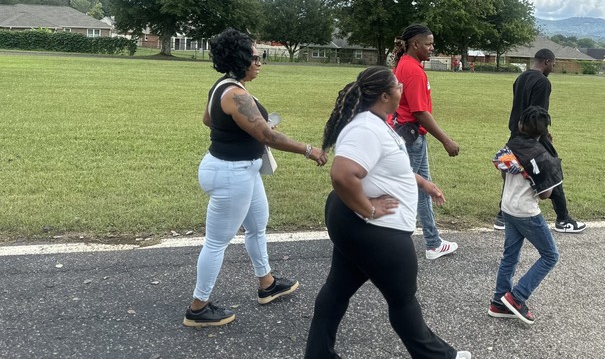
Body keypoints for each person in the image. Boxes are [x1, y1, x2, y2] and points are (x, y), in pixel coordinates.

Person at [304, 66, 471, 359]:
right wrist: (369, 210)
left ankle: (318, 354)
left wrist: (420, 182)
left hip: (354, 224)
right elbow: (343, 175)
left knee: (338, 288)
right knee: (403, 299)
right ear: (384, 95)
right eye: (397, 86)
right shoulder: (365, 128)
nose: (401, 89)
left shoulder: (376, 122)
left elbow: (385, 167)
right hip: (372, 229)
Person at [183, 28, 328, 328]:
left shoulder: (225, 86)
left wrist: (238, 128)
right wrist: (308, 149)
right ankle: (198, 308)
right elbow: (266, 135)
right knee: (217, 242)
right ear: (240, 59)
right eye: (255, 56)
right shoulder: (235, 94)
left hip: (240, 170)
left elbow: (208, 119)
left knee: (256, 227)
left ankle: (267, 284)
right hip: (230, 173)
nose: (260, 61)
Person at [493, 48, 586, 234]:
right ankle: (563, 219)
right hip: (533, 135)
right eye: (553, 63)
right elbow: (537, 113)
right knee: (552, 170)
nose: (553, 67)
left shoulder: (521, 78)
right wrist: (544, 133)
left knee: (513, 171)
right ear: (546, 62)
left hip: (516, 132)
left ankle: (503, 216)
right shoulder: (543, 82)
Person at [391, 24, 460, 260]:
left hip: (406, 133)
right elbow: (420, 111)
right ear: (415, 44)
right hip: (412, 137)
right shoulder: (413, 70)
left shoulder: (405, 65)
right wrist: (446, 141)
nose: (432, 48)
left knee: (421, 189)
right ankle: (387, 240)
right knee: (405, 187)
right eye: (429, 44)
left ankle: (433, 242)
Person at [489, 106, 561, 324]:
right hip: (526, 212)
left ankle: (499, 303)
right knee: (550, 255)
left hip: (508, 208)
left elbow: (502, 170)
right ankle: (517, 297)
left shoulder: (511, 144)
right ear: (544, 131)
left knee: (510, 256)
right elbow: (546, 194)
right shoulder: (541, 155)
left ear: (520, 125)